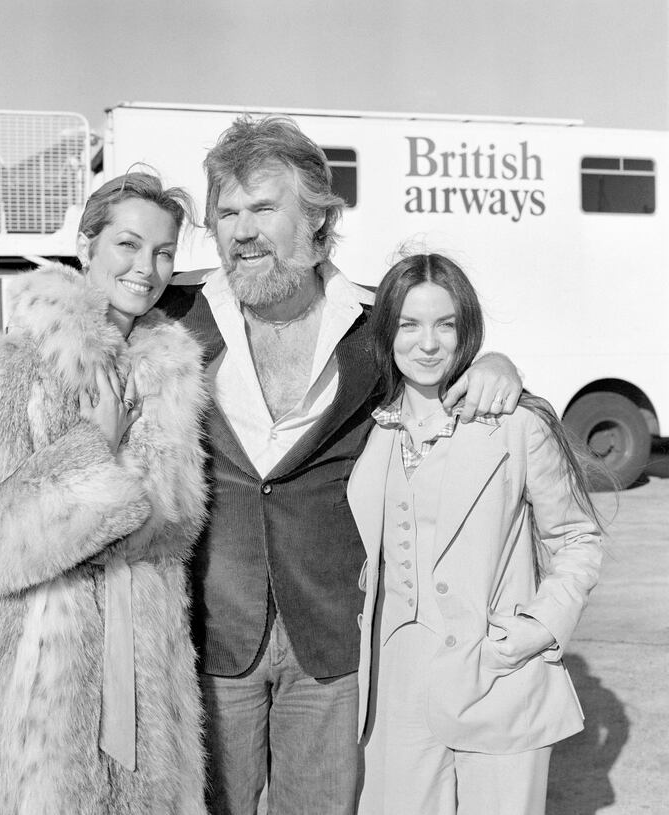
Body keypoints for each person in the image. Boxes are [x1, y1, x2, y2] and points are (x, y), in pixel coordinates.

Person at [158, 116, 523, 814]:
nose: (241, 230)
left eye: (265, 208)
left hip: (332, 639)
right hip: (211, 631)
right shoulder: (179, 316)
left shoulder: (373, 324)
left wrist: (498, 363)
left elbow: (445, 362)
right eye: (227, 212)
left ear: (318, 219)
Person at [0, 173, 209, 814]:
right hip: (43, 689)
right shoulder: (12, 366)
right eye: (128, 244)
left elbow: (180, 528)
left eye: (164, 252)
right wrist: (92, 454)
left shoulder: (169, 375)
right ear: (86, 246)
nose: (147, 268)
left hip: (148, 673)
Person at [347, 253, 605, 815]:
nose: (428, 343)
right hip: (394, 690)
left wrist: (542, 624)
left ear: (467, 331)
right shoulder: (370, 429)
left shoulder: (517, 423)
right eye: (409, 324)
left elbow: (578, 538)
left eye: (446, 324)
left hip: (496, 672)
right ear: (386, 331)